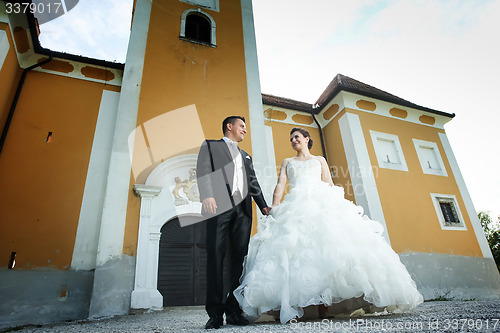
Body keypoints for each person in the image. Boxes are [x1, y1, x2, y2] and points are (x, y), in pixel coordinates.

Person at [234, 127, 423, 324]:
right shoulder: (287, 162)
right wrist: (274, 204)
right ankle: (306, 306)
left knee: (329, 248)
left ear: (307, 139)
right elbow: (280, 184)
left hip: (320, 203)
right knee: (300, 251)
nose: (293, 140)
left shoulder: (319, 160)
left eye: (296, 137)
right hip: (296, 205)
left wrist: (339, 203)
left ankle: (329, 305)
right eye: (291, 139)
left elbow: (329, 183)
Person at [196, 116, 271, 329]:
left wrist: (263, 205)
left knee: (239, 260)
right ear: (230, 126)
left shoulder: (246, 156)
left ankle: (233, 310)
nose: (245, 130)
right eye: (242, 126)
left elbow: (253, 182)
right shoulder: (211, 145)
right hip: (218, 206)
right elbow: (203, 170)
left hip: (243, 211)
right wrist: (206, 195)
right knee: (216, 257)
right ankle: (215, 313)